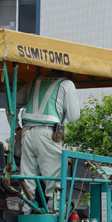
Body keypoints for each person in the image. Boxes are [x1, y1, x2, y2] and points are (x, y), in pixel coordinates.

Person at [17, 74, 80, 212]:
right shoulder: (66, 84)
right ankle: (55, 216)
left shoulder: (34, 81)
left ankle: (25, 213)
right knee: (54, 181)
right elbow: (74, 117)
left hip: (27, 132)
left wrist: (17, 128)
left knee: (27, 179)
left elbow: (10, 103)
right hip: (48, 133)